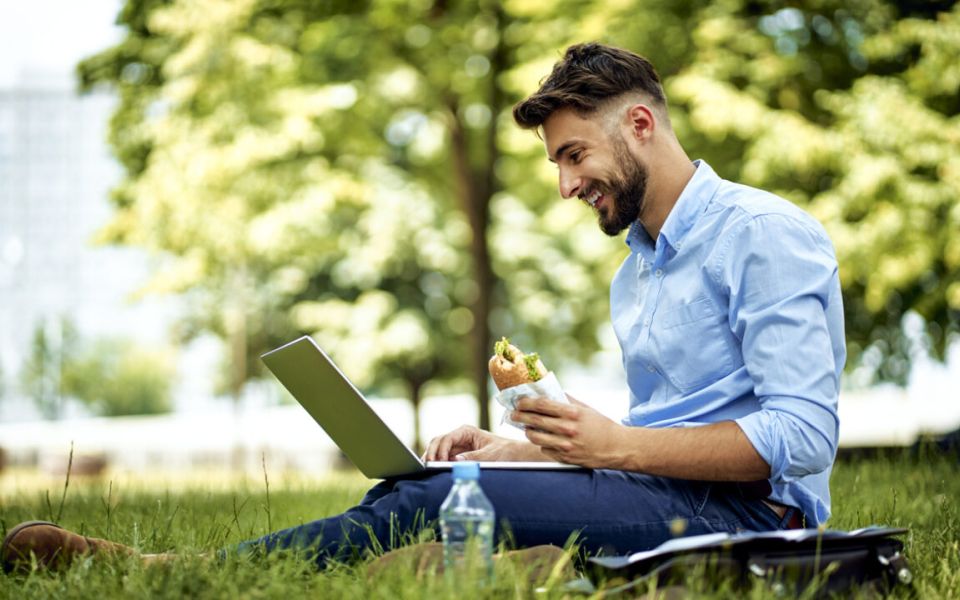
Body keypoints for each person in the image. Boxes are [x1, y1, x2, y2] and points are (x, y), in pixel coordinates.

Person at [2, 42, 844, 573]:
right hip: (670, 495)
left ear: (640, 125)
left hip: (754, 519)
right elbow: (673, 435)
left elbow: (803, 436)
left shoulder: (764, 235)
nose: (565, 185)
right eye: (557, 163)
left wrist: (615, 445)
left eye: (574, 155)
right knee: (422, 485)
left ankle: (176, 569)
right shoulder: (638, 270)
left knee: (439, 503)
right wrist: (527, 451)